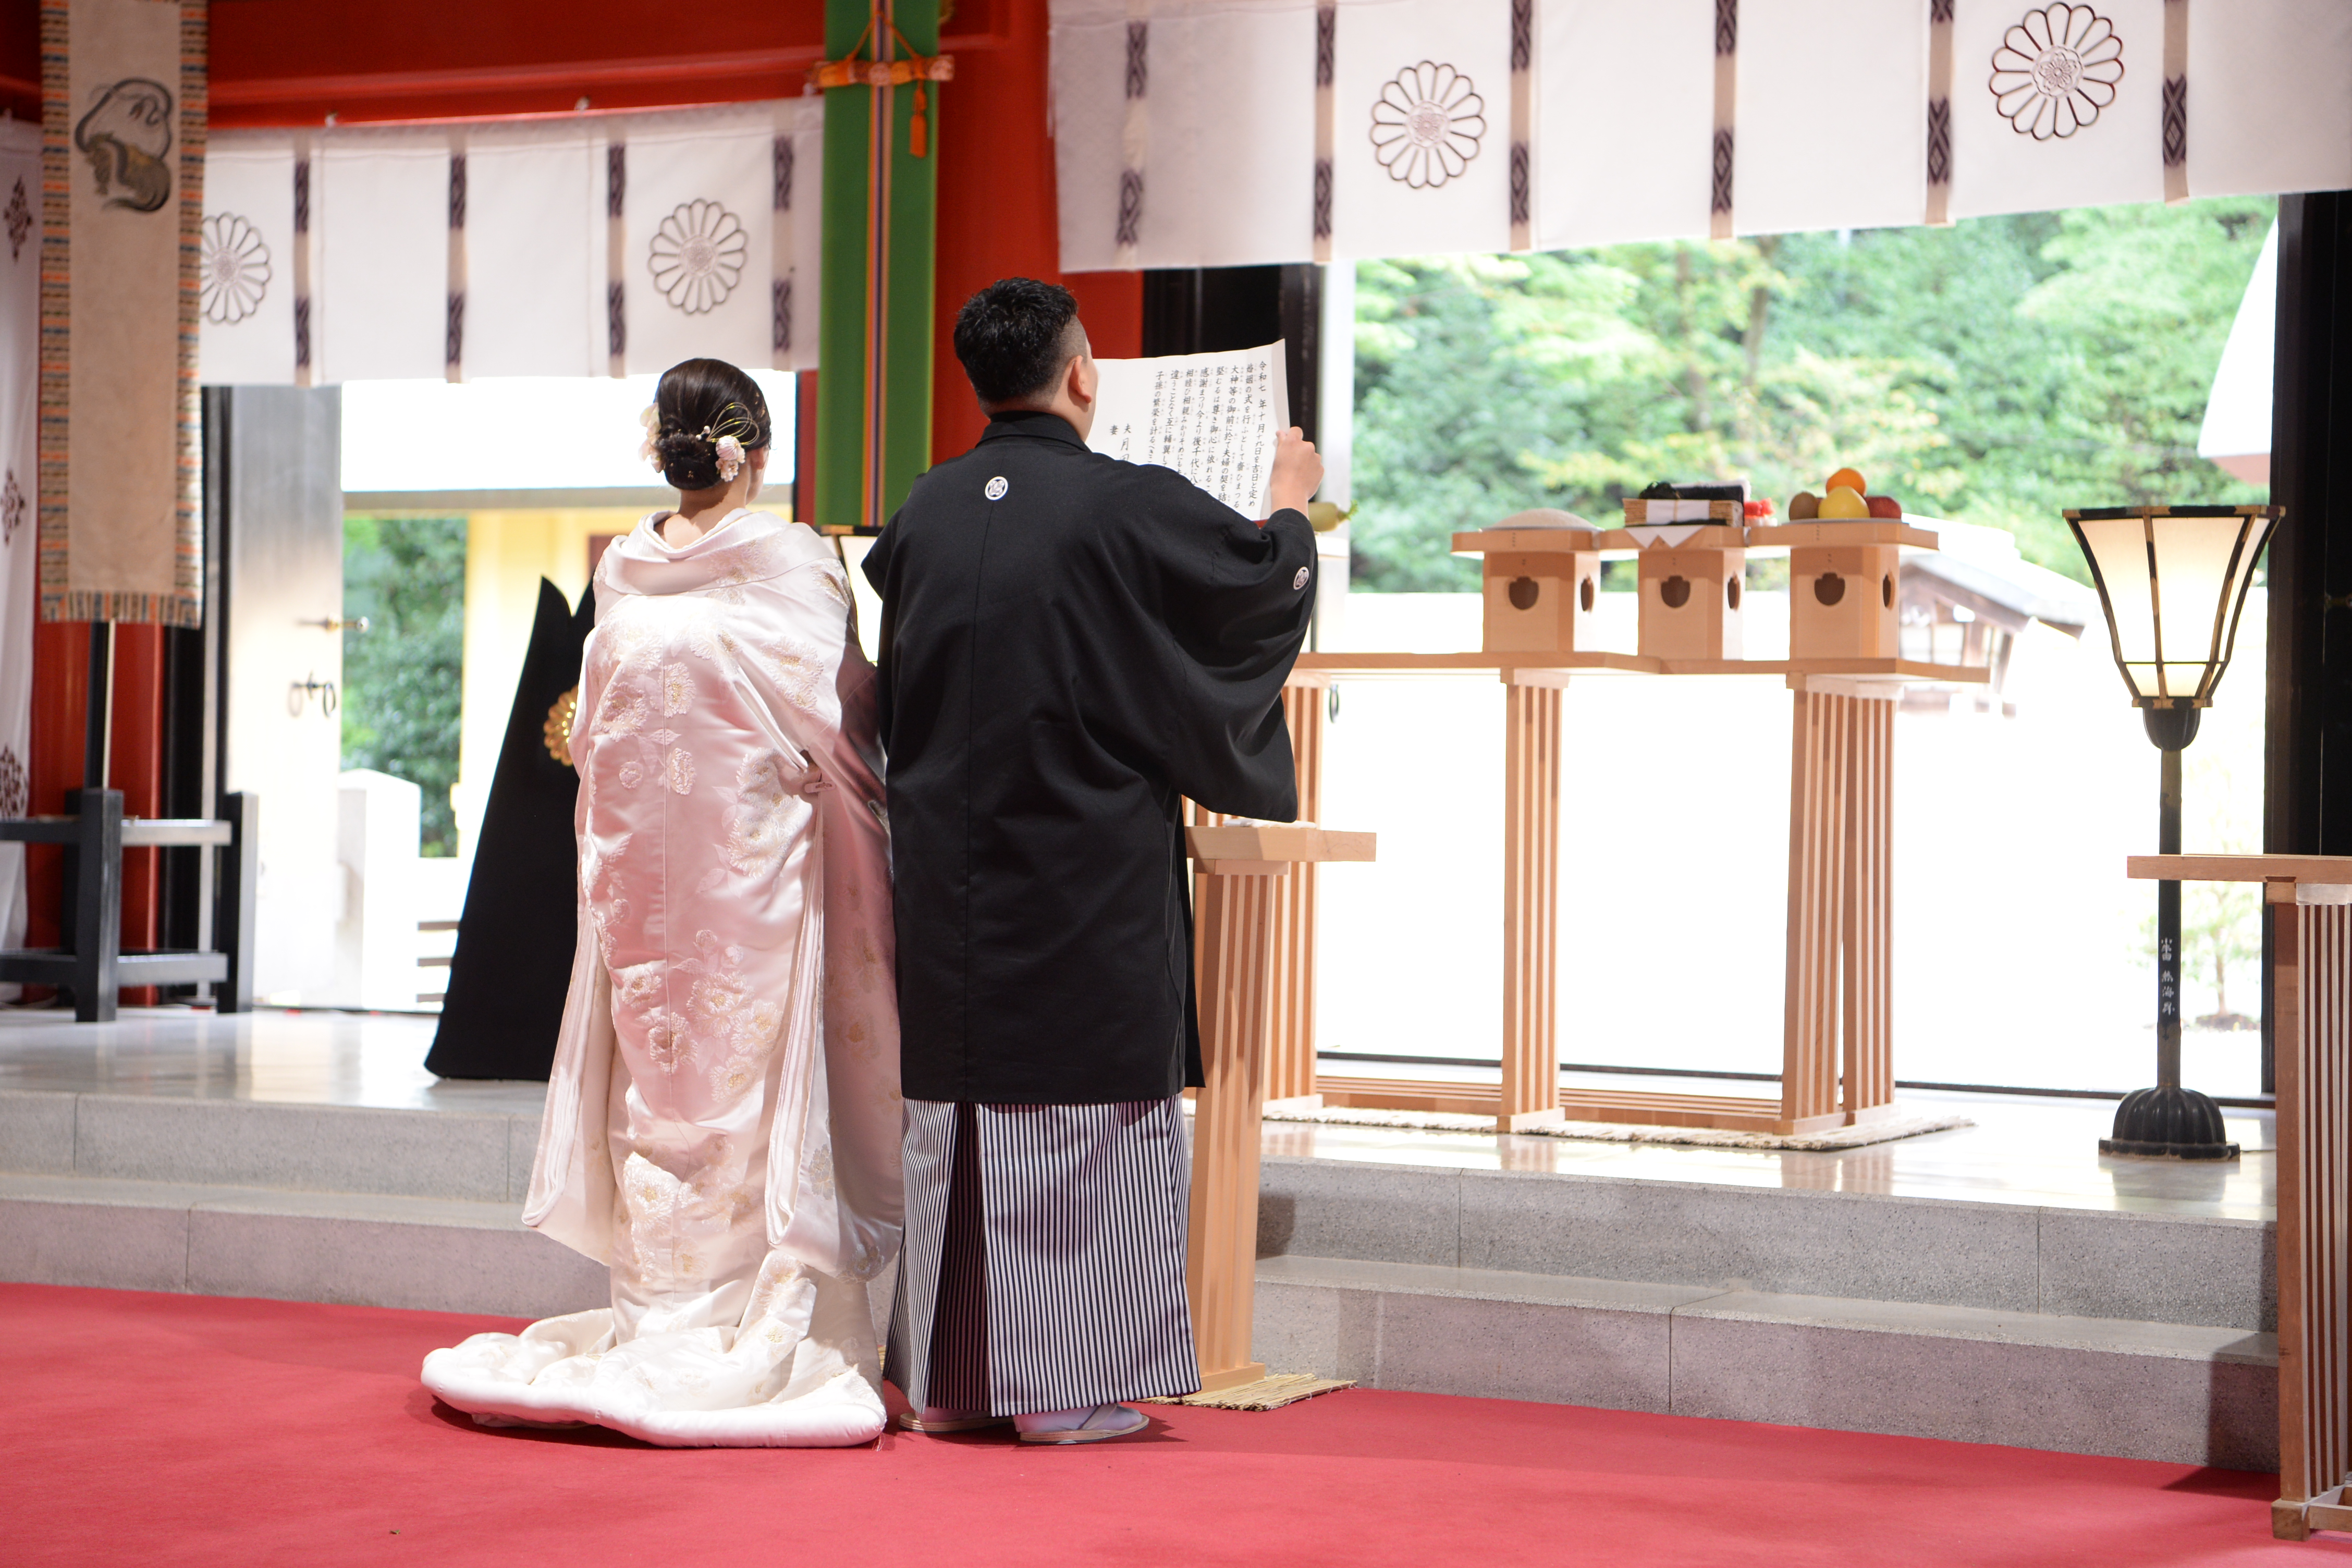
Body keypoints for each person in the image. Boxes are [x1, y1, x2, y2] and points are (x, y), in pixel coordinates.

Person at [863, 278, 1322, 1445]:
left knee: (958, 1115)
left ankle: (957, 1381)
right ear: (1082, 375)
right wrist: (1291, 509)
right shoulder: (1123, 503)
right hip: (1078, 864)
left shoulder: (924, 510)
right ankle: (1064, 1389)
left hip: (950, 871)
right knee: (1078, 1111)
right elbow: (1256, 590)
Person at [421, 359, 903, 1447]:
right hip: (754, 885)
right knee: (752, 1087)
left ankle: (656, 1307)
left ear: (666, 453)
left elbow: (588, 740)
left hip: (643, 888)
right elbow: (844, 722)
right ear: (758, 453)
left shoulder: (626, 575)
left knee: (660, 1085)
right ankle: (746, 1308)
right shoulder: (791, 563)